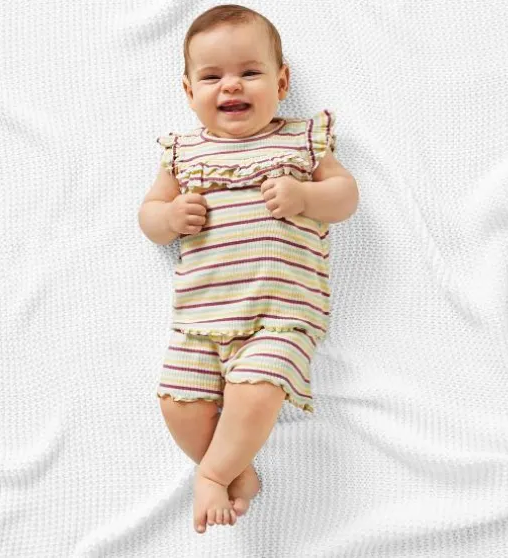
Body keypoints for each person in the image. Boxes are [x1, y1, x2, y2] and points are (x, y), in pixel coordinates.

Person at [138, 4, 358, 534]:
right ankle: (240, 472)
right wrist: (169, 217)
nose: (231, 86)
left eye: (250, 72)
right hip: (201, 320)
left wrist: (306, 196)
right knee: (177, 404)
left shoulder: (301, 141)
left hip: (280, 317)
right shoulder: (183, 154)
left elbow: (345, 196)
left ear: (281, 83)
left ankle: (213, 473)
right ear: (189, 91)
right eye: (212, 76)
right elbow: (149, 216)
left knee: (257, 388)